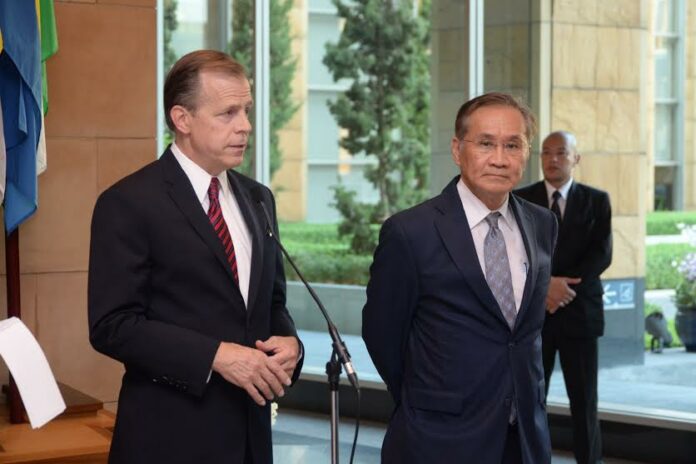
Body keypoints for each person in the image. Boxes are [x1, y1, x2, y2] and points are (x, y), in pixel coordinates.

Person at [88, 50, 303, 464]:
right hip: (169, 438)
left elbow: (271, 302)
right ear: (182, 119)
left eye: (246, 110)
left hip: (251, 441)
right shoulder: (128, 202)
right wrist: (215, 355)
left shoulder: (259, 198)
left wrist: (289, 343)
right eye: (227, 113)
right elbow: (112, 325)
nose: (245, 126)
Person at [363, 92, 557, 464]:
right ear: (457, 149)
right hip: (439, 438)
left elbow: (524, 335)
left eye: (513, 145)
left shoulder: (542, 224)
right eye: (485, 143)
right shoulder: (410, 232)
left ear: (526, 152)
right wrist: (428, 401)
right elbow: (382, 334)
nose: (499, 159)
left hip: (525, 438)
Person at [515, 131, 612, 464]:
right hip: (535, 316)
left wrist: (562, 290)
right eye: (545, 153)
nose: (552, 159)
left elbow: (601, 255)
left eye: (560, 153)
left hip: (580, 314)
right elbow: (516, 254)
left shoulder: (597, 201)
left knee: (584, 403)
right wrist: (546, 287)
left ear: (576, 158)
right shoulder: (521, 199)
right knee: (530, 399)